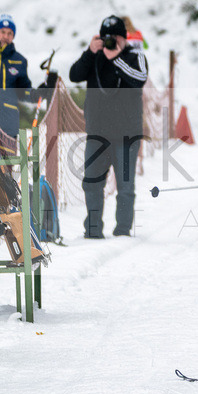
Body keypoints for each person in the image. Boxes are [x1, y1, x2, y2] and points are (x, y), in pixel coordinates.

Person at [68, 15, 148, 239]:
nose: (112, 41)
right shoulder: (94, 57)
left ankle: (122, 231)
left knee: (125, 188)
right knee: (91, 183)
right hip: (97, 133)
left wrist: (116, 59)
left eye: (116, 37)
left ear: (124, 38)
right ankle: (93, 229)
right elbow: (74, 75)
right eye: (107, 37)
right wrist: (89, 52)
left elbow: (140, 78)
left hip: (127, 134)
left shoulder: (135, 56)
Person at [0, 14, 57, 154]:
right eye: (2, 31)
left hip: (6, 127)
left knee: (5, 172)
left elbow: (23, 91)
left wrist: (38, 93)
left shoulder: (19, 61)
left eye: (10, 33)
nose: (6, 36)